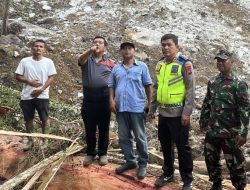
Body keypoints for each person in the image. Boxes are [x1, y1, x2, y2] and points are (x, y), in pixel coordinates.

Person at [148, 34, 195, 190]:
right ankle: (168, 173)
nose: (166, 48)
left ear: (177, 46)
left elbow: (190, 89)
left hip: (178, 116)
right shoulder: (160, 64)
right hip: (163, 114)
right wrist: (152, 109)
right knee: (166, 146)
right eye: (163, 45)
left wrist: (186, 113)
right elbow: (156, 88)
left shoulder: (185, 64)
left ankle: (187, 179)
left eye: (169, 45)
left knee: (182, 148)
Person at [199, 49, 249, 190]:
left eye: (223, 60)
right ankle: (216, 184)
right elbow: (207, 103)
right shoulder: (213, 82)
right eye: (218, 60)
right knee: (211, 159)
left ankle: (240, 186)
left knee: (234, 163)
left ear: (232, 62)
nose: (220, 63)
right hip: (213, 129)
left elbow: (245, 110)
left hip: (230, 132)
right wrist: (203, 121)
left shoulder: (239, 84)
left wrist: (244, 133)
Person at [108, 42, 152, 179]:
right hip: (120, 107)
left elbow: (148, 86)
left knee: (140, 136)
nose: (126, 51)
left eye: (129, 48)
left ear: (134, 51)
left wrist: (150, 103)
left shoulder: (142, 67)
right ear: (121, 52)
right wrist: (111, 100)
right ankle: (130, 161)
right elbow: (111, 86)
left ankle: (143, 163)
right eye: (124, 49)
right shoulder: (116, 68)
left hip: (137, 107)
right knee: (124, 137)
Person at [78, 36, 115, 166]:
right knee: (90, 127)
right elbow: (80, 59)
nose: (97, 44)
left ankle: (103, 153)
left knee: (104, 127)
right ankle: (90, 152)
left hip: (104, 97)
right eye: (95, 42)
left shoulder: (111, 62)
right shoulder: (87, 59)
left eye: (100, 43)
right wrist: (90, 50)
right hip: (89, 97)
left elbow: (115, 80)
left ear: (105, 47)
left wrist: (113, 99)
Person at [15, 39, 57, 150]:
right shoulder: (24, 61)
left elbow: (51, 77)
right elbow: (18, 76)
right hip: (27, 95)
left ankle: (45, 141)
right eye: (36, 46)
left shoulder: (48, 62)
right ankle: (30, 141)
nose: (38, 48)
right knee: (28, 119)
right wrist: (29, 82)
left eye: (41, 46)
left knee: (44, 118)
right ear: (32, 48)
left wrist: (42, 89)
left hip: (42, 96)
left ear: (44, 50)